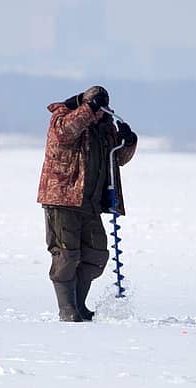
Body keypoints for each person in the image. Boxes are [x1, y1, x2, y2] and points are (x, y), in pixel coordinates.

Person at [37, 86, 138, 322]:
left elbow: (118, 158)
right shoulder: (61, 117)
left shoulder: (103, 128)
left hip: (91, 202)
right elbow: (64, 134)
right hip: (63, 198)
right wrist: (87, 109)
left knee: (96, 255)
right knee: (66, 255)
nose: (102, 113)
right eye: (98, 106)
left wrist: (128, 141)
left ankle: (79, 305)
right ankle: (67, 308)